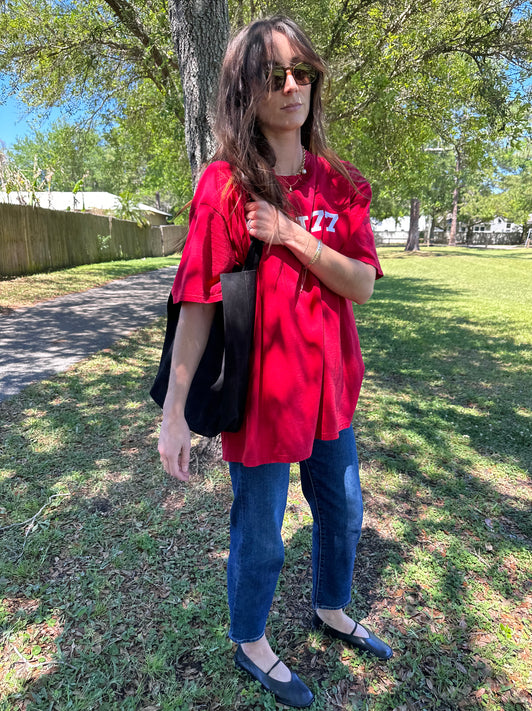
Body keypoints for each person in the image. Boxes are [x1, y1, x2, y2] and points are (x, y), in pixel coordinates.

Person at [158, 15, 392, 708]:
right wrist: (173, 413)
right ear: (245, 89)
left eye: (302, 73)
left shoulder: (340, 183)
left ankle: (330, 606)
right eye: (273, 75)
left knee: (342, 511)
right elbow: (196, 303)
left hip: (331, 394)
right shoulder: (223, 185)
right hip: (259, 401)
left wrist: (290, 232)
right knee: (259, 533)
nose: (292, 87)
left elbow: (362, 283)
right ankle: (250, 639)